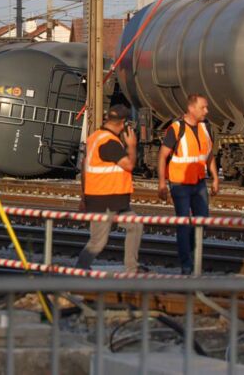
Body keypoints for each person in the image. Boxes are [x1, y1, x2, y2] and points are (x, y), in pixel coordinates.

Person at [75, 105, 144, 273]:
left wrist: (83, 196)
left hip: (113, 199)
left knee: (135, 225)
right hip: (105, 199)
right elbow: (129, 165)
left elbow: (84, 168)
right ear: (123, 123)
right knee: (98, 242)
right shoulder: (110, 142)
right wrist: (132, 145)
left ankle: (132, 267)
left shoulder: (95, 137)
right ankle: (80, 270)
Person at [157, 94, 219, 275]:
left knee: (202, 220)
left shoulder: (205, 127)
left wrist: (215, 178)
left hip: (199, 182)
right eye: (203, 107)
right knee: (183, 223)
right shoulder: (176, 129)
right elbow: (162, 155)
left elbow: (208, 155)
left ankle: (190, 253)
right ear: (191, 108)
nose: (206, 111)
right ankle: (187, 264)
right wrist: (162, 183)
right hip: (180, 184)